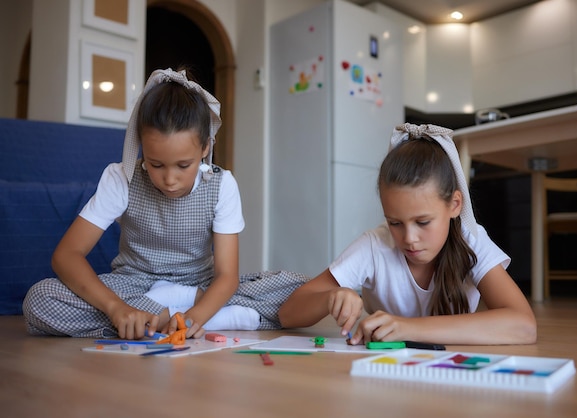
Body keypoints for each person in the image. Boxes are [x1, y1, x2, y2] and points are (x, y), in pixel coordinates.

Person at [22, 68, 307, 339]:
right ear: (141, 146)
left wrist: (193, 317)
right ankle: (175, 317)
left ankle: (157, 319)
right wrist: (116, 308)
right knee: (40, 299)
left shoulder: (222, 185)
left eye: (184, 165)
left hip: (199, 288)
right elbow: (66, 255)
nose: (170, 179)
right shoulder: (122, 177)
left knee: (298, 289)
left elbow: (227, 276)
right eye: (156, 164)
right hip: (133, 286)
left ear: (206, 147)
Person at [278, 123, 536, 345]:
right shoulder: (374, 245)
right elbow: (287, 315)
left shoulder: (472, 240)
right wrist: (330, 297)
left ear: (455, 205)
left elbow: (523, 325)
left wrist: (407, 328)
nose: (409, 238)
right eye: (395, 223)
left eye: (423, 222)